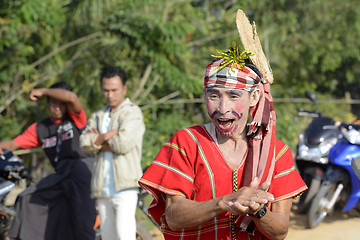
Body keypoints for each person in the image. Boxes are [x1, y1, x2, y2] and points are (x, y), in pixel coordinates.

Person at [138, 45, 308, 240]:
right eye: (214, 96)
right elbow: (174, 216)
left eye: (233, 96)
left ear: (254, 97)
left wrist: (257, 211)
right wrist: (226, 202)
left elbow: (279, 232)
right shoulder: (187, 142)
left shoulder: (277, 152)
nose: (222, 107)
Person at [0, 81, 97, 240]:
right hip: (61, 174)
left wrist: (44, 90)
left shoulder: (75, 118)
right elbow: (13, 144)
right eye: (53, 103)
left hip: (83, 171)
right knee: (27, 198)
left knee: (82, 220)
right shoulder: (40, 128)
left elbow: (72, 98)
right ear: (48, 104)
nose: (57, 107)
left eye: (61, 104)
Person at [80, 66, 145, 240]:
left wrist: (97, 141)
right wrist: (107, 136)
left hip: (125, 186)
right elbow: (83, 143)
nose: (110, 95)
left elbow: (123, 144)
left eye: (114, 90)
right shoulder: (98, 115)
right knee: (107, 237)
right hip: (102, 187)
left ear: (124, 89)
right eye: (106, 90)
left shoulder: (132, 112)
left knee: (125, 236)